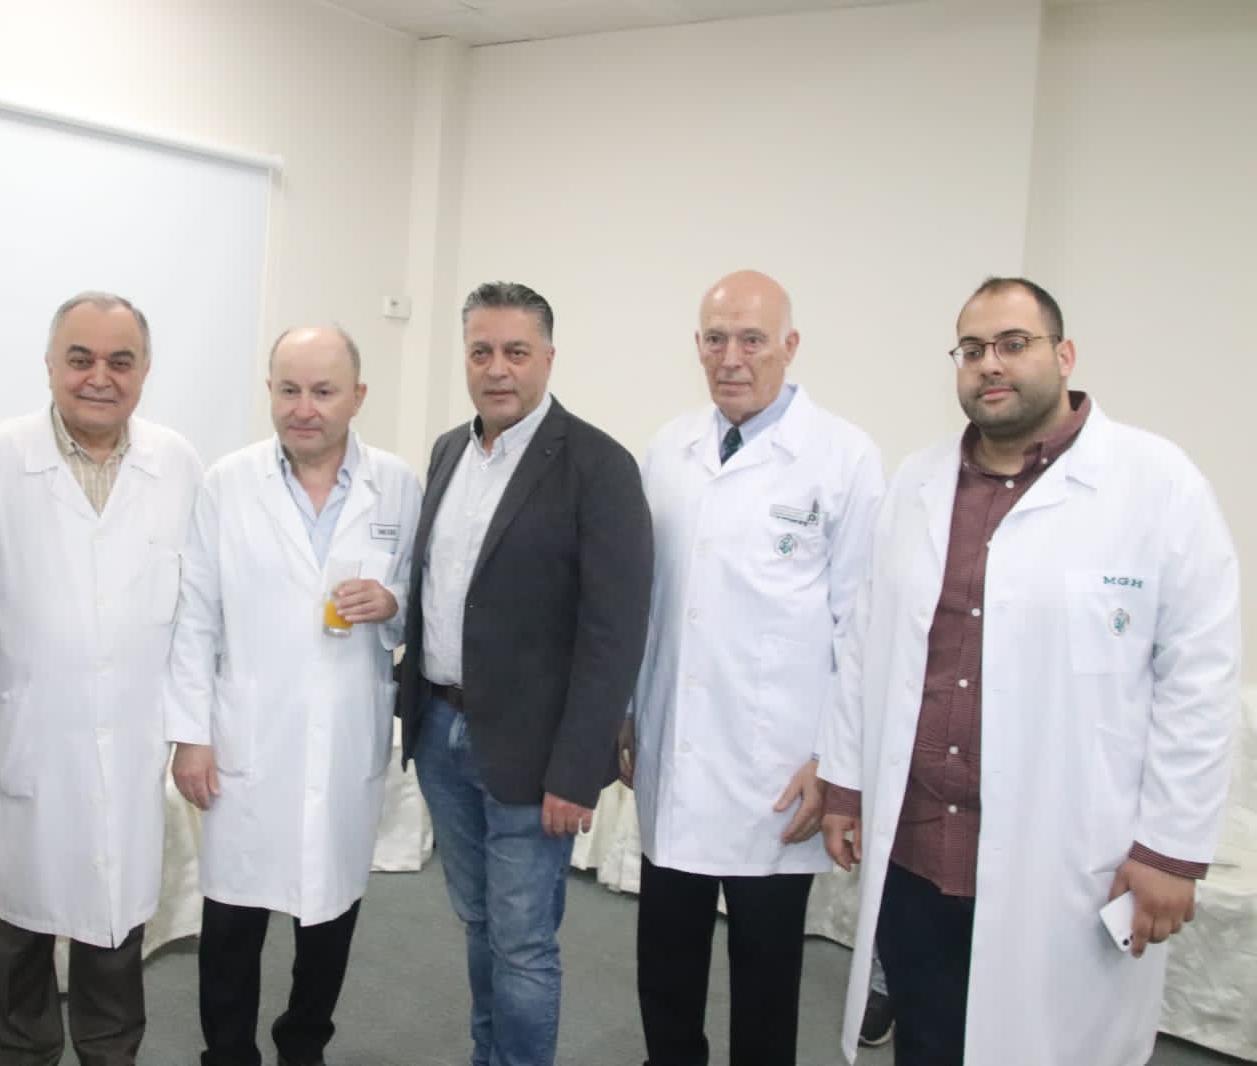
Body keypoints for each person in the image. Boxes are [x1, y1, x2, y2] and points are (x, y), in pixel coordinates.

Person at [817, 277, 1242, 1066]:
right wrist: (845, 782)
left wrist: (1171, 849)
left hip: (1067, 860)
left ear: (1064, 354)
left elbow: (1200, 680)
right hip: (919, 853)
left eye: (1014, 344)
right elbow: (865, 644)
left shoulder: (1156, 484)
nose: (990, 364)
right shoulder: (917, 483)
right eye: (972, 349)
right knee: (929, 1043)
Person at [0, 291, 204, 1066]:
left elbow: (193, 602)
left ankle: (110, 1052)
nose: (99, 377)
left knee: (114, 936)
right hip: (24, 739)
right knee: (13, 935)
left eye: (121, 361)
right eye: (80, 359)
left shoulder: (176, 463)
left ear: (144, 371)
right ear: (50, 365)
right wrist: (13, 678)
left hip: (129, 745)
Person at [621, 270, 883, 1066]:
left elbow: (863, 629)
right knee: (665, 973)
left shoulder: (844, 458)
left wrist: (835, 761)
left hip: (779, 771)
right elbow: (645, 599)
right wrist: (628, 713)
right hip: (675, 753)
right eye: (715, 339)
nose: (730, 357)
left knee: (766, 985)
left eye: (752, 339)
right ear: (697, 345)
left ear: (789, 345)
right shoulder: (668, 449)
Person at [397, 281, 655, 1066]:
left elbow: (614, 634)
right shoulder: (449, 451)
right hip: (442, 732)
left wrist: (577, 772)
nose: (497, 368)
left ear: (548, 357)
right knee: (478, 923)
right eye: (481, 351)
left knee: (524, 944)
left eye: (516, 351)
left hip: (534, 756)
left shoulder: (599, 466)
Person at [169, 325, 420, 1066]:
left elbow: (423, 600)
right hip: (248, 733)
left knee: (330, 912)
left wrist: (393, 604)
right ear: (270, 392)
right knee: (232, 918)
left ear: (358, 396)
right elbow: (194, 614)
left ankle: (303, 1045)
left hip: (344, 732)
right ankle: (228, 1053)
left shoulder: (397, 485)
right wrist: (190, 734)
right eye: (288, 389)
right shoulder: (227, 482)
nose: (303, 408)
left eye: (322, 391)